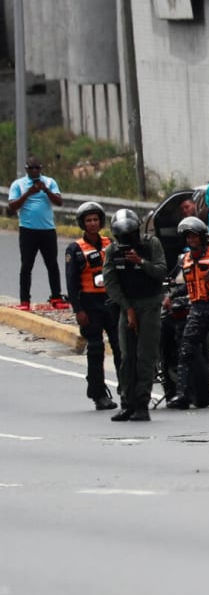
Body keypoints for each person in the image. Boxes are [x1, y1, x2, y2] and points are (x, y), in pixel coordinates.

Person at [102, 209, 166, 423]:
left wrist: (140, 262)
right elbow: (110, 282)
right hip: (126, 306)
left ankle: (141, 404)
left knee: (144, 358)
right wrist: (127, 308)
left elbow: (160, 271)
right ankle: (126, 403)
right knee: (126, 357)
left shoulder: (151, 245)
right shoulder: (112, 251)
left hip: (150, 305)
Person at [64, 202, 121, 410]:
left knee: (120, 346)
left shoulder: (110, 243)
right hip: (90, 304)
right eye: (88, 220)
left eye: (96, 219)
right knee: (96, 348)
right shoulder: (75, 249)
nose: (93, 224)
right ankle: (98, 394)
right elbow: (71, 283)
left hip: (112, 302)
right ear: (82, 223)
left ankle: (126, 388)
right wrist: (78, 310)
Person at [169, 216, 209, 411]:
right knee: (185, 350)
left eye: (194, 237)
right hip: (197, 308)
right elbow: (185, 284)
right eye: (188, 238)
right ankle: (182, 394)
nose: (192, 241)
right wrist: (170, 296)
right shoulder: (183, 259)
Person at [9, 157, 64, 308]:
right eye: (31, 168)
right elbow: (12, 206)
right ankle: (25, 300)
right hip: (28, 230)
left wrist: (45, 190)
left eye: (37, 168)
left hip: (47, 229)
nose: (34, 171)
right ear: (26, 169)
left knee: (52, 264)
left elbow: (59, 201)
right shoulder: (18, 184)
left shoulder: (49, 182)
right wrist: (29, 193)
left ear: (41, 169)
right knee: (27, 265)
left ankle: (56, 297)